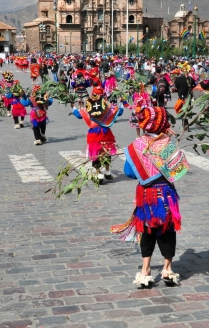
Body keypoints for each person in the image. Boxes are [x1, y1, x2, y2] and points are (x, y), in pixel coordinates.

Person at [111, 106, 189, 287]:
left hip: (146, 196)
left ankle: (145, 270)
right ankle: (167, 269)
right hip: (167, 195)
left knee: (147, 230)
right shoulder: (168, 145)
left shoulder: (135, 146)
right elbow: (179, 170)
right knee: (167, 230)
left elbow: (129, 172)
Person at [71, 86, 122, 183]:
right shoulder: (107, 106)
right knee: (107, 151)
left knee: (96, 153)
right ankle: (107, 172)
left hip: (94, 134)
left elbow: (78, 115)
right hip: (106, 132)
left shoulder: (89, 106)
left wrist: (73, 108)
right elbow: (119, 112)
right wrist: (121, 103)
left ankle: (98, 174)